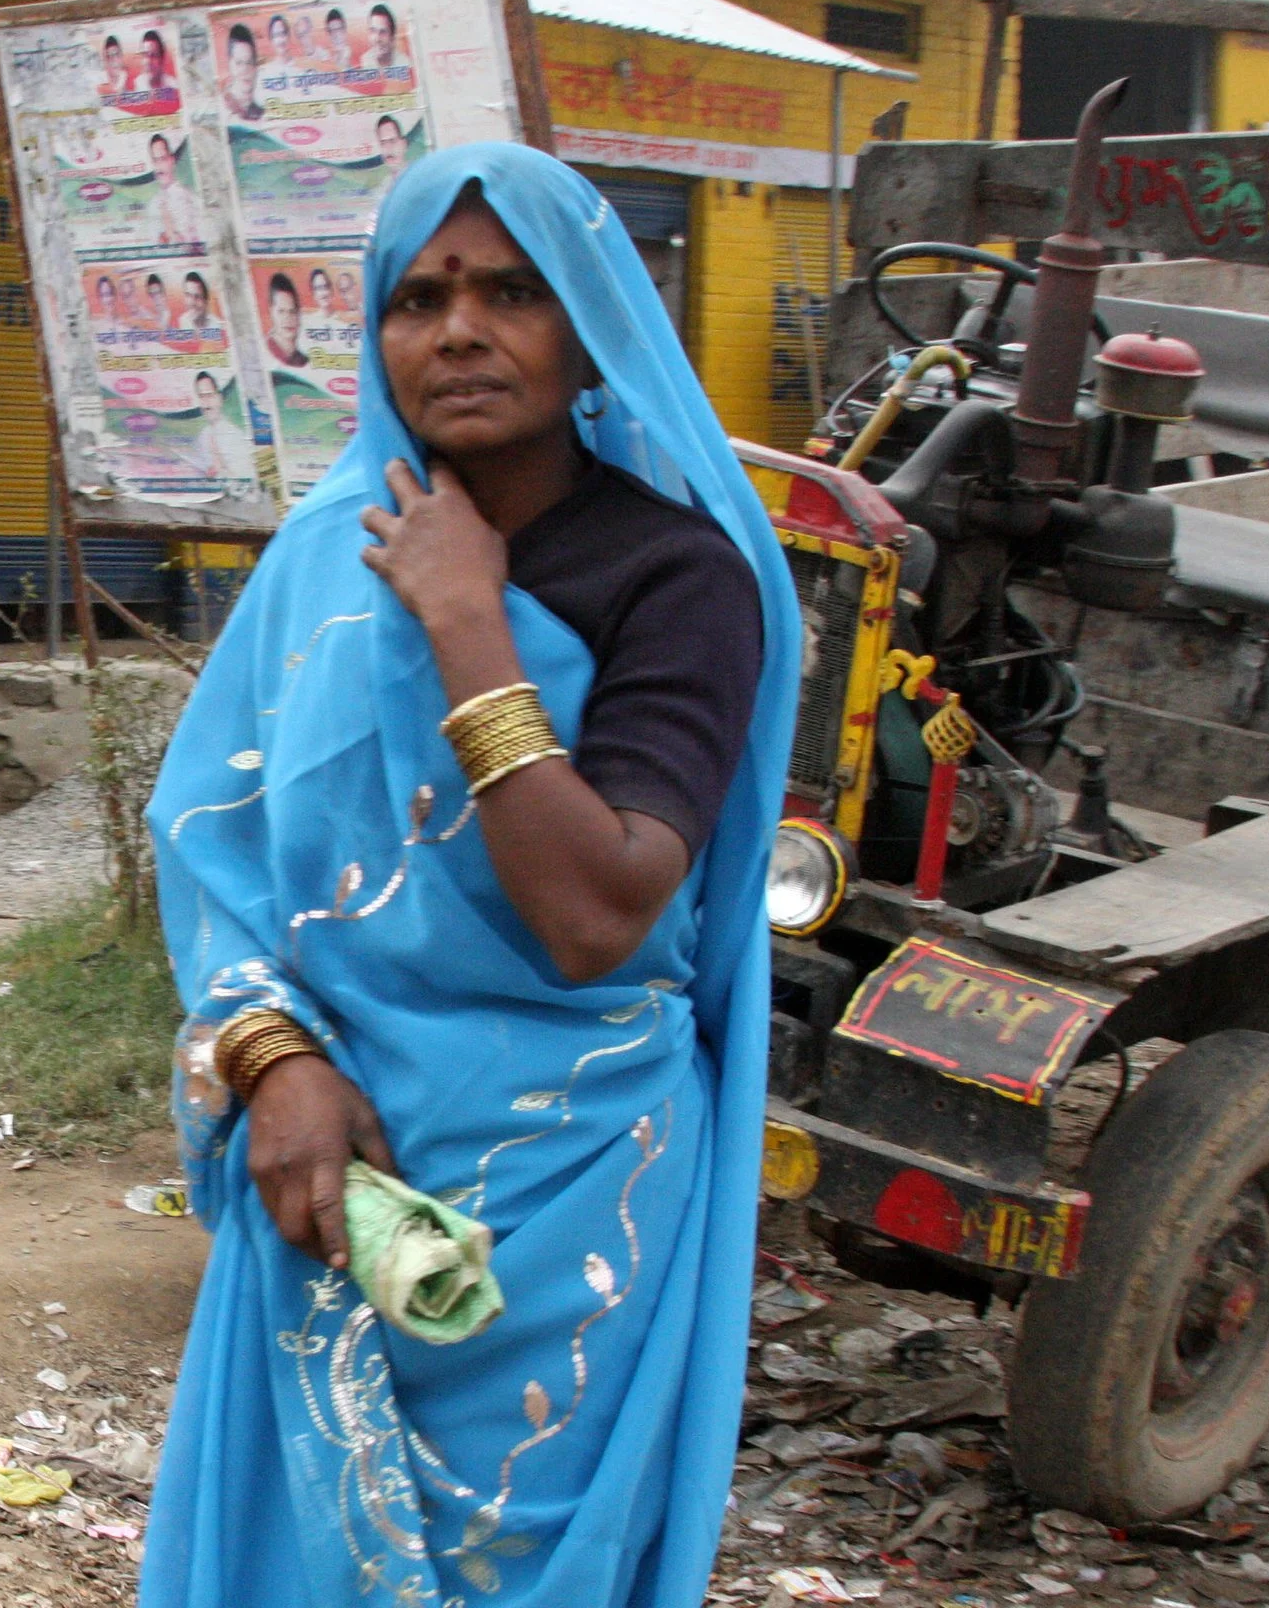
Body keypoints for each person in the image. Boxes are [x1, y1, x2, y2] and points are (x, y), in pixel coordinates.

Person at [139, 142, 799, 1607]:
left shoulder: (678, 577)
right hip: (338, 1158)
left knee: (517, 1563)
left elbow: (596, 914)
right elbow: (218, 852)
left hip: (569, 1197)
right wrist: (271, 1064)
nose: (458, 330)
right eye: (418, 295)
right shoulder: (322, 562)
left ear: (590, 332)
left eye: (513, 290)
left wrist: (468, 624)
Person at [183, 370, 256, 490]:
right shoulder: (203, 435)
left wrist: (219, 467)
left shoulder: (235, 436)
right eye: (201, 396)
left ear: (220, 398)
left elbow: (243, 485)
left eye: (210, 395)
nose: (206, 402)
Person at [150, 134, 199, 248]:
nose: (159, 166)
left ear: (171, 160)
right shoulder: (153, 204)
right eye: (155, 160)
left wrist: (169, 229)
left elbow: (191, 246)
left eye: (162, 159)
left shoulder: (190, 199)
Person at [263, 271, 308, 368]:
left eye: (292, 311)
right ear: (271, 312)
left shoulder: (303, 360)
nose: (287, 319)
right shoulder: (263, 354)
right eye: (281, 311)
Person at [222, 24, 266, 122]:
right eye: (239, 63)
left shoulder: (262, 114)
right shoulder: (222, 110)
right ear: (230, 65)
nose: (245, 69)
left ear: (256, 67)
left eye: (249, 62)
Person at [376, 113, 411, 184]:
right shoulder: (384, 185)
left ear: (404, 144)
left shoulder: (417, 176)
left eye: (392, 141)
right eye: (383, 143)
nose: (387, 148)